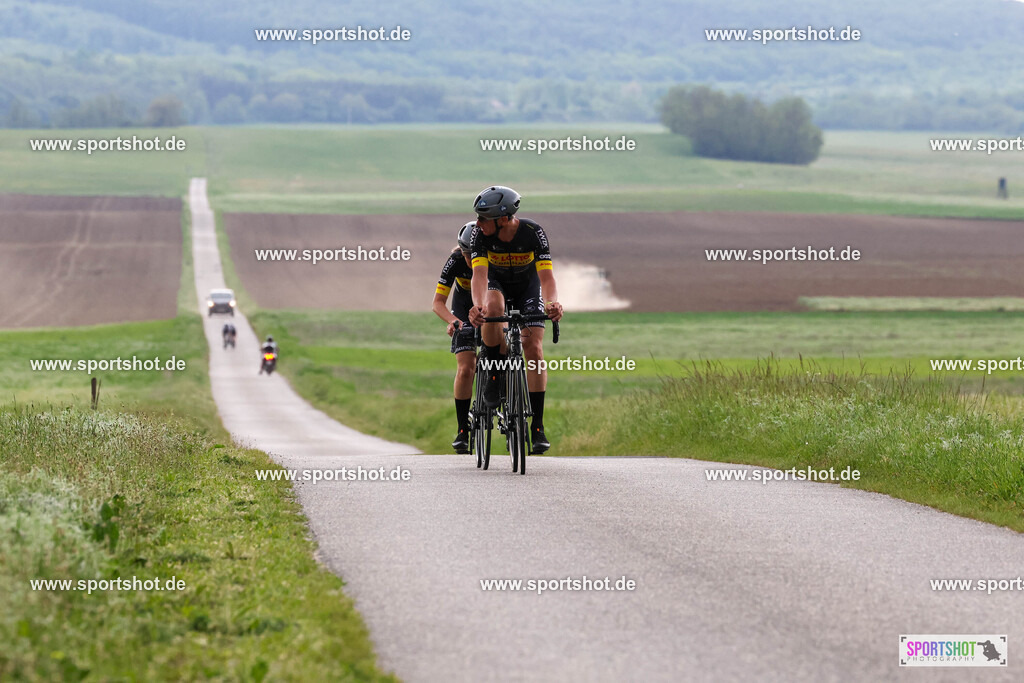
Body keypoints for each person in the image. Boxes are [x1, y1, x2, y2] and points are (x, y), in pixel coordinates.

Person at [468, 186, 563, 454]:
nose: (478, 223)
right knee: (492, 304)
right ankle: (494, 374)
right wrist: (477, 307)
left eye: (484, 218)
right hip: (496, 284)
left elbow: (547, 278)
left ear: (503, 218)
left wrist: (553, 303)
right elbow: (479, 276)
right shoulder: (479, 236)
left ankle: (538, 426)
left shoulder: (533, 233)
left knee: (534, 348)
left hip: (527, 287)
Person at [432, 222, 477, 453]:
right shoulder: (456, 261)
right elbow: (437, 303)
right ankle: (462, 429)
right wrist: (452, 320)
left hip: (492, 310)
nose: (471, 260)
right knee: (466, 368)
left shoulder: (495, 258)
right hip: (463, 311)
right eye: (468, 255)